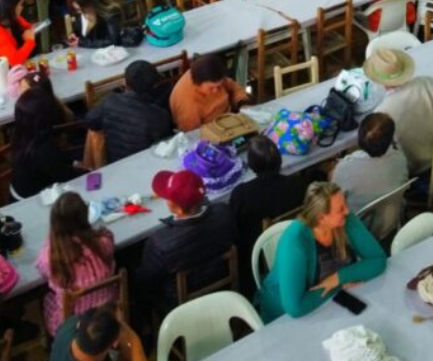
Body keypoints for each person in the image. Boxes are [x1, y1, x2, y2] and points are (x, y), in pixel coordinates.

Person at [256, 181, 388, 322]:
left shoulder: (344, 220)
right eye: (340, 209)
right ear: (321, 218)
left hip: (324, 303)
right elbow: (295, 308)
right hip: (282, 316)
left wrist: (339, 277)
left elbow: (378, 259)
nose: (347, 211)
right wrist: (338, 285)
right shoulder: (294, 242)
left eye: (345, 204)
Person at [135, 169, 236, 318]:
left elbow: (147, 282)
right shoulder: (224, 213)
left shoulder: (160, 243)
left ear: (175, 207)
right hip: (223, 287)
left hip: (180, 307)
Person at [35, 191, 118, 337]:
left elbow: (43, 271)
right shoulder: (103, 242)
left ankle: (52, 343)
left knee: (46, 297)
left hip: (74, 323)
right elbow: (108, 240)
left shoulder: (51, 256)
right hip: (107, 311)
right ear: (85, 216)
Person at [369, 49, 433, 174]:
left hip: (415, 172)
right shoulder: (426, 83)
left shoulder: (380, 114)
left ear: (378, 80)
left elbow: (385, 155)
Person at [229, 136, 306, 283]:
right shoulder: (298, 183)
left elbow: (235, 229)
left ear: (251, 164)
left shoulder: (241, 194)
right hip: (293, 243)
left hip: (256, 255)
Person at [332, 113, 409, 242]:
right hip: (390, 227)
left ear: (359, 137)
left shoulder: (345, 168)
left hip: (357, 234)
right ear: (390, 139)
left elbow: (335, 201)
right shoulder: (400, 159)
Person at [83, 60, 173, 164]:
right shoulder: (159, 116)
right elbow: (165, 143)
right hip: (146, 164)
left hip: (114, 164)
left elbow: (89, 121)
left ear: (125, 83)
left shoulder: (110, 101)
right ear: (154, 86)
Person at [11, 83, 82, 199]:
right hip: (31, 200)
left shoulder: (22, 135)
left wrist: (73, 163)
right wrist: (85, 172)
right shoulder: (43, 149)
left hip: (20, 190)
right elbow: (66, 177)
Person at [169, 53, 249, 132]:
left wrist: (241, 103)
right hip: (212, 130)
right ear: (198, 83)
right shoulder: (188, 105)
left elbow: (233, 86)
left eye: (219, 86)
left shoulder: (211, 76)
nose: (216, 91)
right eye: (211, 88)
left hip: (230, 115)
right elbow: (194, 135)